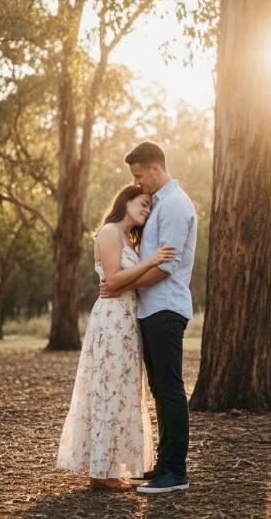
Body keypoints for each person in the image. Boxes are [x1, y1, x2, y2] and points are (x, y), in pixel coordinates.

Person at [56, 184, 176, 491]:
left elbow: (123, 281)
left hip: (126, 321)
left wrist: (133, 276)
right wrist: (150, 261)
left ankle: (107, 466)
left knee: (120, 391)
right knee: (107, 389)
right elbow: (112, 279)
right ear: (126, 200)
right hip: (111, 320)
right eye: (143, 203)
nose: (147, 210)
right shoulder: (110, 232)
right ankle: (100, 471)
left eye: (150, 207)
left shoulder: (127, 238)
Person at [100, 141, 198, 494]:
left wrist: (123, 287)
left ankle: (176, 472)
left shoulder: (174, 205)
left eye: (139, 176)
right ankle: (164, 465)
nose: (138, 183)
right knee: (160, 389)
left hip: (166, 308)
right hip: (151, 309)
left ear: (155, 169)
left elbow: (165, 268)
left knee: (170, 389)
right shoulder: (159, 205)